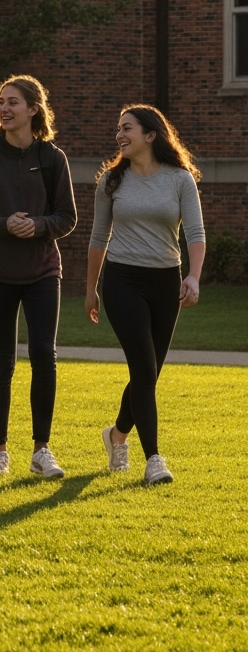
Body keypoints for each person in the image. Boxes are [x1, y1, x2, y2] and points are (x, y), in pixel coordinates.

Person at [0, 75, 77, 478]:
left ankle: (42, 451)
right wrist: (3, 225)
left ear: (33, 109)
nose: (4, 109)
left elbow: (67, 218)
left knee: (44, 355)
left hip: (43, 271)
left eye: (13, 102)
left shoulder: (53, 158)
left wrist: (38, 226)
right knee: (2, 360)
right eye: (1, 102)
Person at [86, 105, 205, 485]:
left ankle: (116, 435)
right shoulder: (111, 181)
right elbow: (97, 237)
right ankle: (153, 458)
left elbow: (196, 235)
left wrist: (194, 277)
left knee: (148, 373)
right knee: (143, 367)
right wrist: (90, 288)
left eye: (127, 129)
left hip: (165, 282)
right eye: (118, 129)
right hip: (122, 281)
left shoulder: (180, 180)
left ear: (151, 135)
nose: (120, 135)